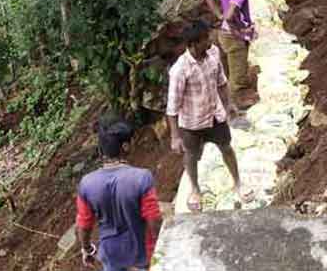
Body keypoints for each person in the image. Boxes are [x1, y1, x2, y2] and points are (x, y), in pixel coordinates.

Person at [166, 20, 250, 212]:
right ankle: (195, 189)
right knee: (191, 156)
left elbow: (221, 81)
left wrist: (229, 104)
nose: (210, 40)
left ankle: (238, 183)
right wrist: (175, 136)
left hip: (215, 116)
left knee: (226, 148)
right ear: (193, 44)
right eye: (205, 39)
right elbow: (172, 108)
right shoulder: (180, 70)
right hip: (192, 123)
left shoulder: (213, 53)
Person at [76, 115, 162, 271]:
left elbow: (84, 224)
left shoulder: (87, 184)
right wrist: (163, 245)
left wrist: (87, 249)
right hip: (142, 253)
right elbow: (154, 219)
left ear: (101, 149)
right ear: (125, 147)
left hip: (111, 255)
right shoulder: (141, 178)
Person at [204, 0, 261, 110]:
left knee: (228, 72)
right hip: (234, 37)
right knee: (238, 79)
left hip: (223, 34)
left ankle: (225, 103)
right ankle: (235, 110)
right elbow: (230, 15)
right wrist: (239, 29)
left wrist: (218, 14)